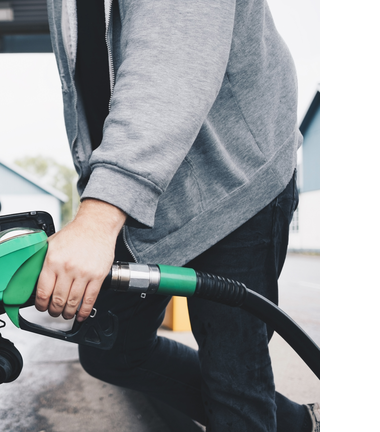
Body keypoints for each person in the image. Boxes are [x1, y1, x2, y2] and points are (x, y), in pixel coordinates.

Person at [36, 0, 319, 430]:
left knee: (235, 385)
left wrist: (98, 218)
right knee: (109, 348)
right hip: (147, 196)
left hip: (234, 184)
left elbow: (171, 70)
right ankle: (293, 424)